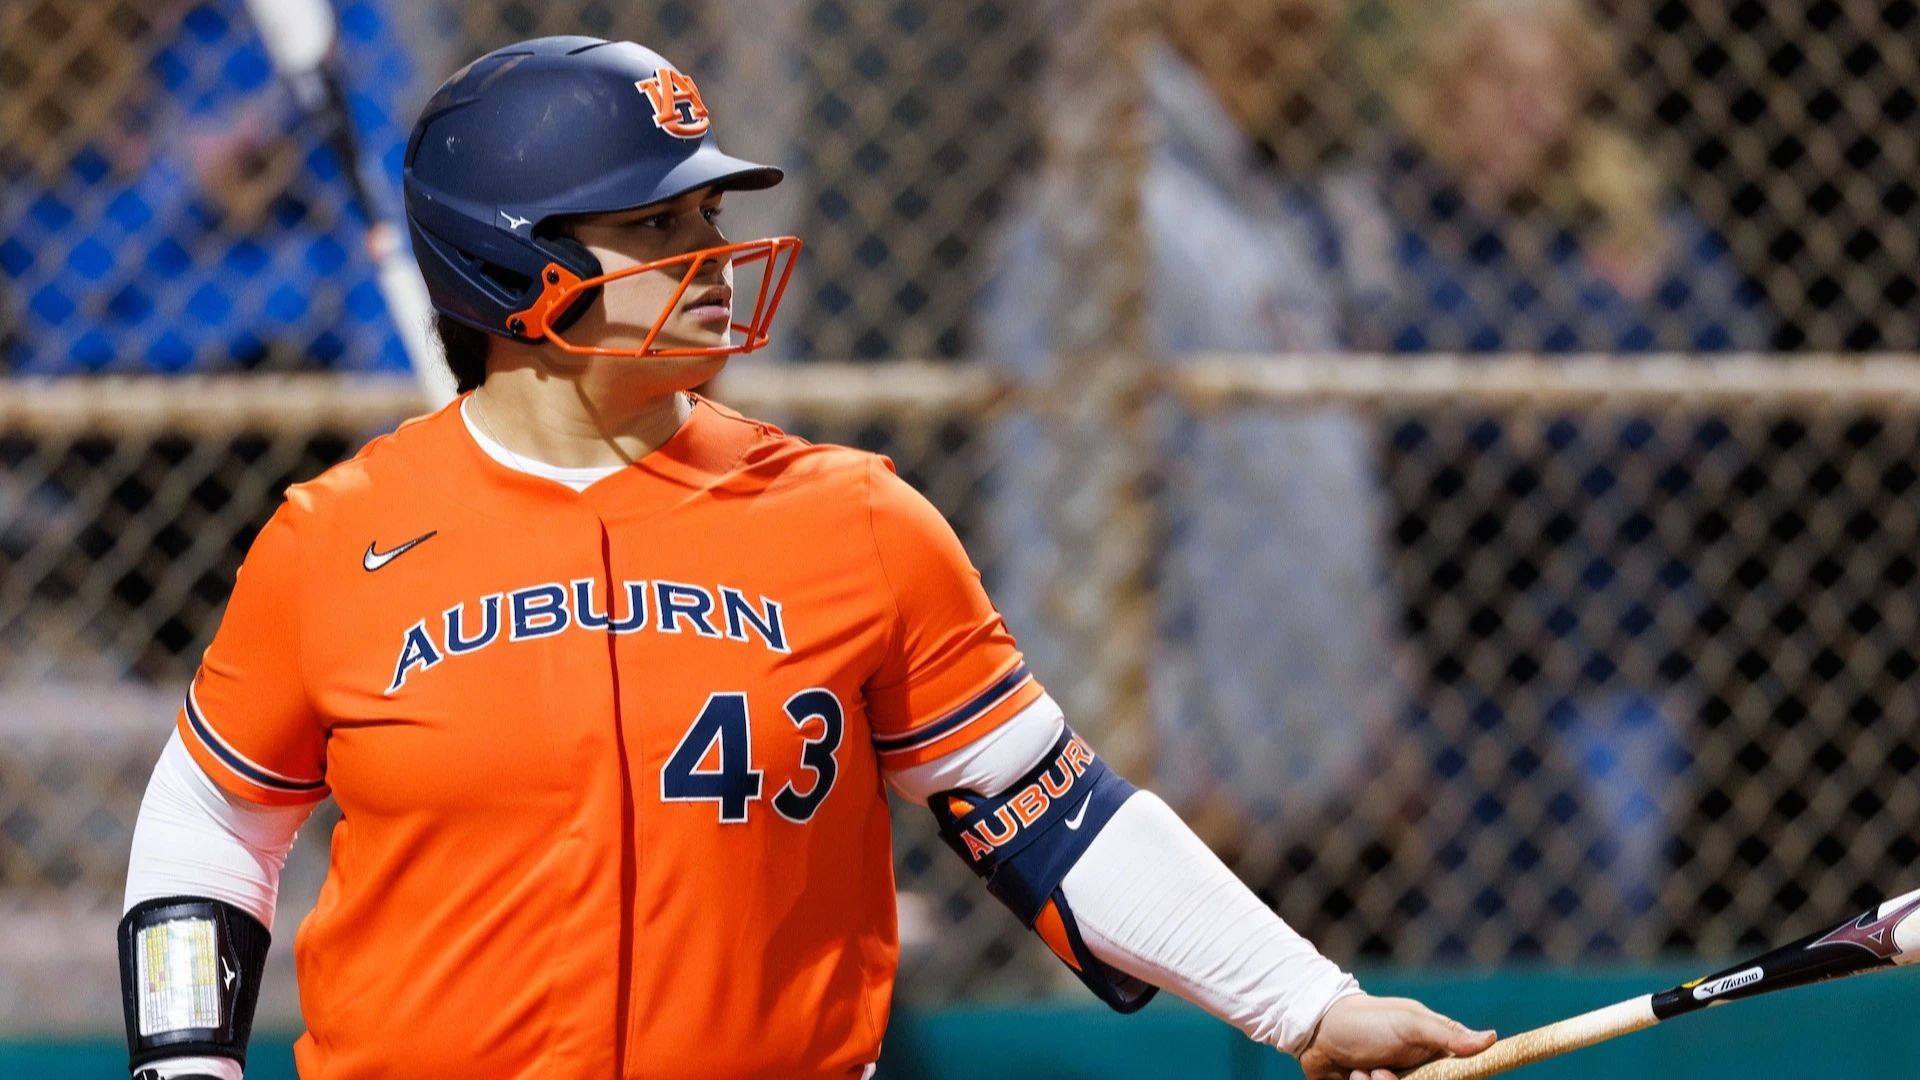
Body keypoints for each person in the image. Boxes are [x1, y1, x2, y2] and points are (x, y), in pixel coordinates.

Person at [116, 37, 1494, 1080]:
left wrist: (1308, 1003)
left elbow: (1061, 821)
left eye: (707, 218)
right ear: (512, 266)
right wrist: (182, 1062)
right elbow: (211, 821)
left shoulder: (851, 520)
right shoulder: (339, 537)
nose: (712, 256)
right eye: (657, 226)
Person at [977, 0, 1404, 852]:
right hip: (1182, 804)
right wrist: (1134, 780)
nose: (1298, 28)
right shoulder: (1103, 215)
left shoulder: (1254, 206)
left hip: (1307, 797)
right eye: (1271, 20)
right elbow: (1054, 537)